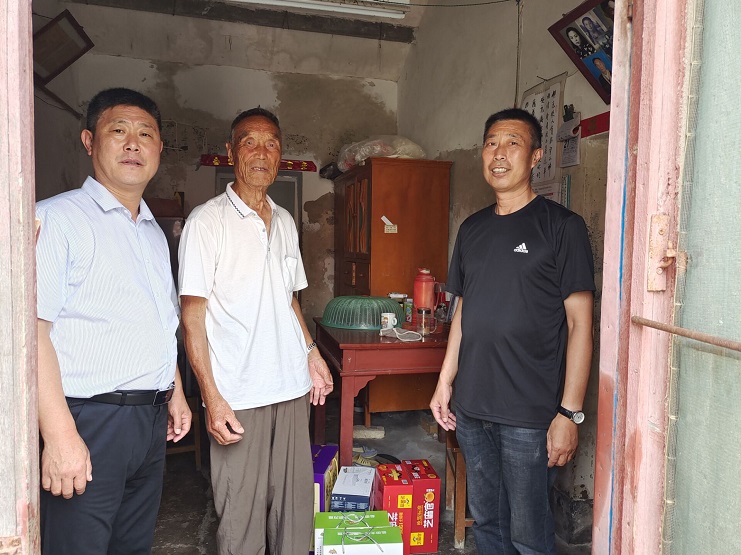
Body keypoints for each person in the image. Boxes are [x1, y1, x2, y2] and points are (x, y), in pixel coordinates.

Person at [430, 108, 595, 554]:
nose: (499, 153)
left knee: (528, 533)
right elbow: (464, 312)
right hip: (472, 409)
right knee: (488, 524)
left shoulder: (562, 228)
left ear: (536, 156)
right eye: (491, 143)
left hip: (530, 414)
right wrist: (445, 382)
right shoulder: (471, 230)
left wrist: (570, 414)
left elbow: (580, 324)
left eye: (512, 143)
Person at [36, 88, 192, 554]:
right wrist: (59, 436)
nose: (132, 144)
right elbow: (30, 335)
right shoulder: (57, 220)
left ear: (159, 148)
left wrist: (174, 392)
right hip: (89, 421)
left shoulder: (153, 233)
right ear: (89, 141)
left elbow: (158, 322)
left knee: (132, 546)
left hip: (149, 423)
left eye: (145, 134)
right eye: (118, 130)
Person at [179, 107, 334, 555]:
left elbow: (289, 300)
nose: (262, 153)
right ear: (231, 152)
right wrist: (211, 397)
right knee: (241, 517)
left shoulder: (284, 221)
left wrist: (312, 353)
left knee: (294, 513)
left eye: (271, 144)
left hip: (290, 387)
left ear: (281, 155)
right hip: (238, 394)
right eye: (250, 142)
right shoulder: (206, 222)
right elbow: (192, 318)